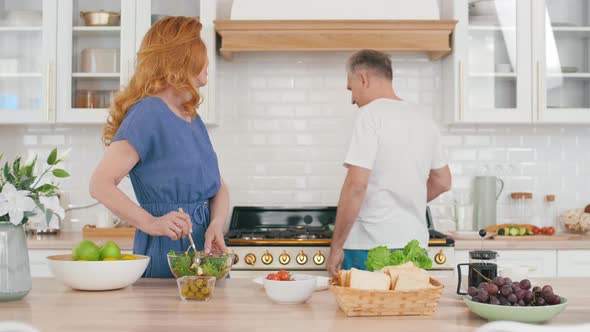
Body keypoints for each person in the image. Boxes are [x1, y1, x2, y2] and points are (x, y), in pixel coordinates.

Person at [89, 17, 229, 278]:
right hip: (167, 253)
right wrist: (151, 223)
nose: (208, 62)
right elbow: (100, 184)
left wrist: (216, 225)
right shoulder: (148, 113)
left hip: (206, 254)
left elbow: (218, 186)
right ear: (182, 56)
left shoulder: (191, 117)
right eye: (203, 52)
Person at [326, 50, 452, 276]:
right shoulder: (424, 119)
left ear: (363, 78)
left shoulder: (369, 115)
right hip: (414, 245)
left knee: (364, 308)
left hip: (370, 246)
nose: (352, 98)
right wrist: (408, 195)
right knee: (405, 309)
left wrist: (336, 246)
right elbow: (443, 182)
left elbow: (356, 186)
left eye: (350, 87)